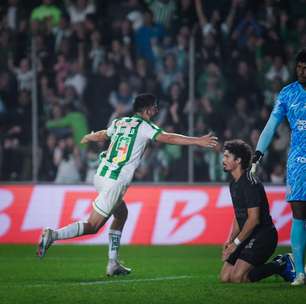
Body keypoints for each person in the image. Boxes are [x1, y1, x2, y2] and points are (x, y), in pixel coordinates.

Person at [37, 93, 218, 276]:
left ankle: (113, 263)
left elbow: (103, 134)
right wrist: (198, 141)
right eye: (155, 106)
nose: (156, 110)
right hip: (116, 182)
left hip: (101, 175)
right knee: (93, 226)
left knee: (121, 214)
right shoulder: (145, 127)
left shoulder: (120, 122)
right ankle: (53, 235)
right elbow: (169, 138)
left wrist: (89, 137)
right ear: (147, 110)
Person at [251, 48, 306, 286]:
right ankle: (300, 273)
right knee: (299, 213)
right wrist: (258, 154)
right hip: (297, 161)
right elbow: (271, 125)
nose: (303, 72)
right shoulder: (287, 93)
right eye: (300, 68)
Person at [220, 139, 295, 283]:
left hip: (263, 236)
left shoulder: (249, 183)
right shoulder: (233, 183)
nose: (223, 160)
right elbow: (238, 216)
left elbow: (254, 220)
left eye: (227, 156)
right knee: (225, 278)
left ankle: (281, 264)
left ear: (238, 160)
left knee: (238, 277)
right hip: (246, 236)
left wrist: (235, 243)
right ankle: (258, 265)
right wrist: (230, 241)